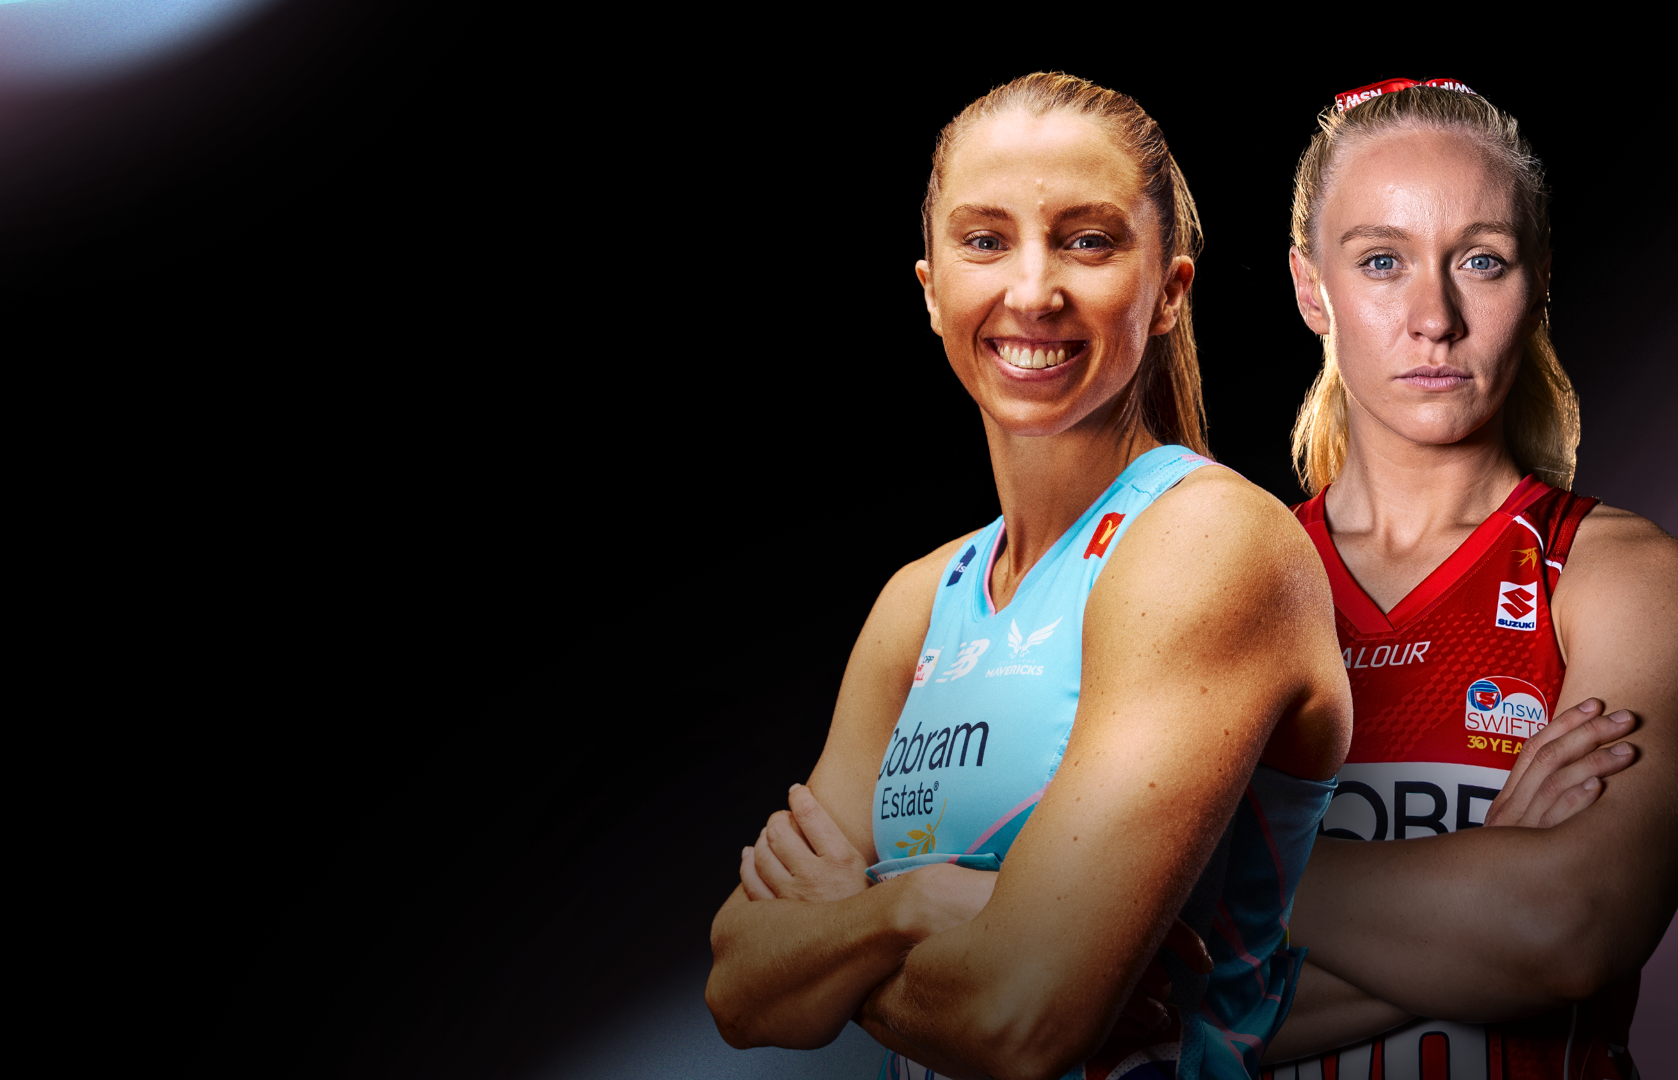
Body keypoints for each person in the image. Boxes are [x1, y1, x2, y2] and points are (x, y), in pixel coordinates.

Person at [704, 72, 1352, 1080]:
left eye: (1087, 240)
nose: (1032, 290)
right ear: (931, 292)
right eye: (985, 239)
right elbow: (740, 989)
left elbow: (1022, 1019)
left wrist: (841, 930)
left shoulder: (1210, 545)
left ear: (1170, 290)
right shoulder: (922, 600)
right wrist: (913, 904)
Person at [1260, 82, 1678, 1079]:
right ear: (1311, 288)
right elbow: (1123, 1015)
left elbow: (1569, 925)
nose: (1434, 318)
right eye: (1381, 261)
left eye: (1480, 261)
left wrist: (1203, 881)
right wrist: (1483, 872)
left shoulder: (1623, 577)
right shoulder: (1227, 585)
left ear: (1537, 283)